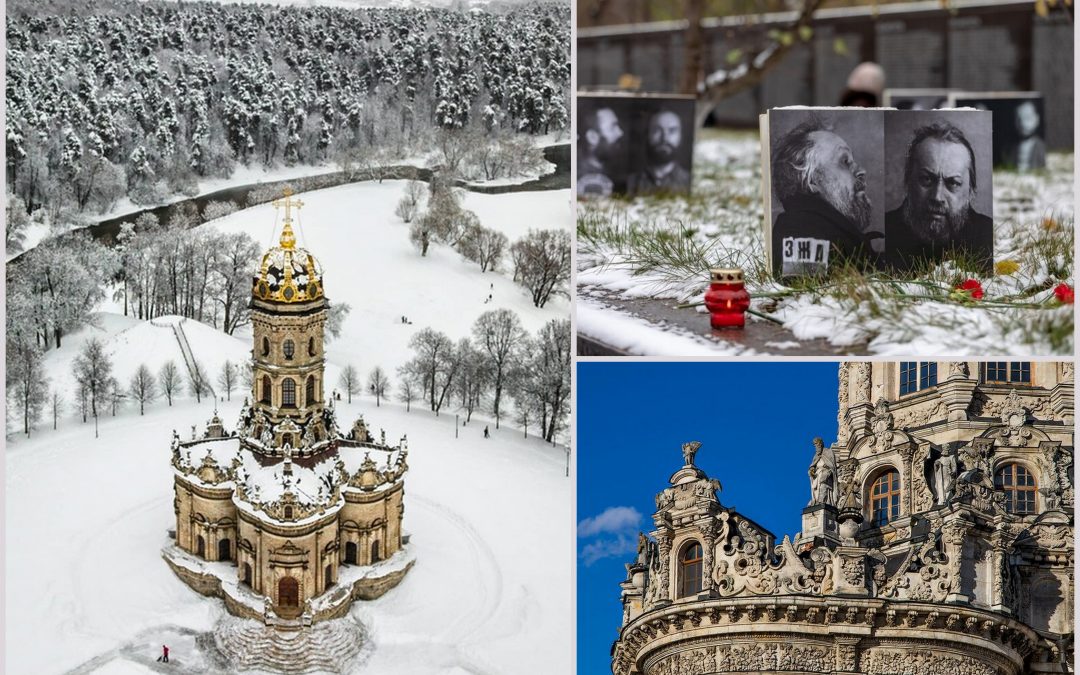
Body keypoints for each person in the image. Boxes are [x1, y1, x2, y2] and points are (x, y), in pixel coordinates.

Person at [770, 118, 879, 278]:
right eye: (845, 161)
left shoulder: (824, 230)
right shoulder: (801, 231)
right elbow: (805, 295)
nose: (861, 171)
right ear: (812, 180)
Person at [885, 122, 993, 273]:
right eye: (926, 179)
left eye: (953, 183)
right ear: (907, 181)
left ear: (971, 191)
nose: (937, 197)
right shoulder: (886, 232)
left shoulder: (990, 238)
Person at [626, 109, 691, 194]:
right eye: (657, 130)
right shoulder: (630, 182)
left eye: (672, 131)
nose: (664, 138)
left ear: (680, 137)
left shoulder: (689, 181)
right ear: (647, 135)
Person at [577, 105, 624, 197]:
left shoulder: (616, 171)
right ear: (592, 137)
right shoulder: (576, 174)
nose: (620, 132)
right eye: (613, 127)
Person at [1003, 100, 1046, 171]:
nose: (1023, 123)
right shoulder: (1010, 148)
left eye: (1027, 118)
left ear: (1037, 118)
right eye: (1019, 119)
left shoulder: (1041, 146)